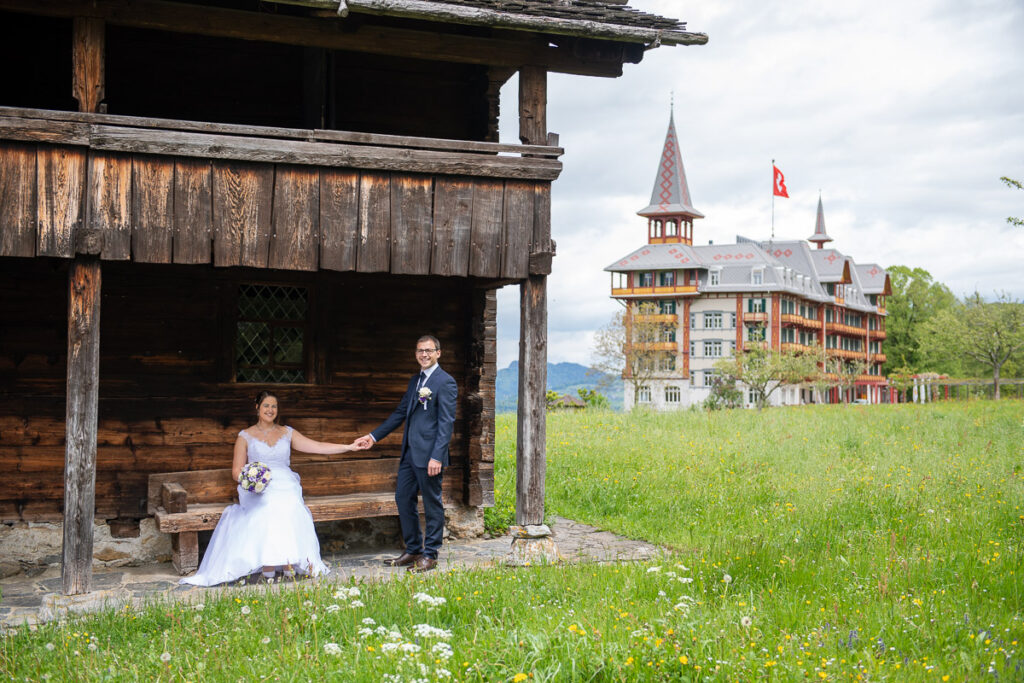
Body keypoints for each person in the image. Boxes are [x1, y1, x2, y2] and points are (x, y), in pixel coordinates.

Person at [181, 390, 362, 586]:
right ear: (257, 407)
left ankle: (289, 562)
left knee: (291, 504)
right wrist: (250, 480)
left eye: (274, 406)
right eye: (266, 405)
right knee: (268, 505)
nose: (270, 409)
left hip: (285, 483)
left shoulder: (287, 432)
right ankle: (268, 565)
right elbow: (236, 471)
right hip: (257, 486)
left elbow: (317, 446)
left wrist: (349, 446)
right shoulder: (245, 436)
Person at [355, 335, 457, 573]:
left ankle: (430, 554)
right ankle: (413, 550)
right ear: (415, 353)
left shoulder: (446, 382)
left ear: (438, 353)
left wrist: (437, 457)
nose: (424, 354)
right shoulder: (415, 380)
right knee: (403, 498)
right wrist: (372, 436)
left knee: (432, 504)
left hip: (430, 456)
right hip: (410, 455)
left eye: (429, 351)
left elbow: (446, 423)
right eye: (420, 351)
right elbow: (401, 413)